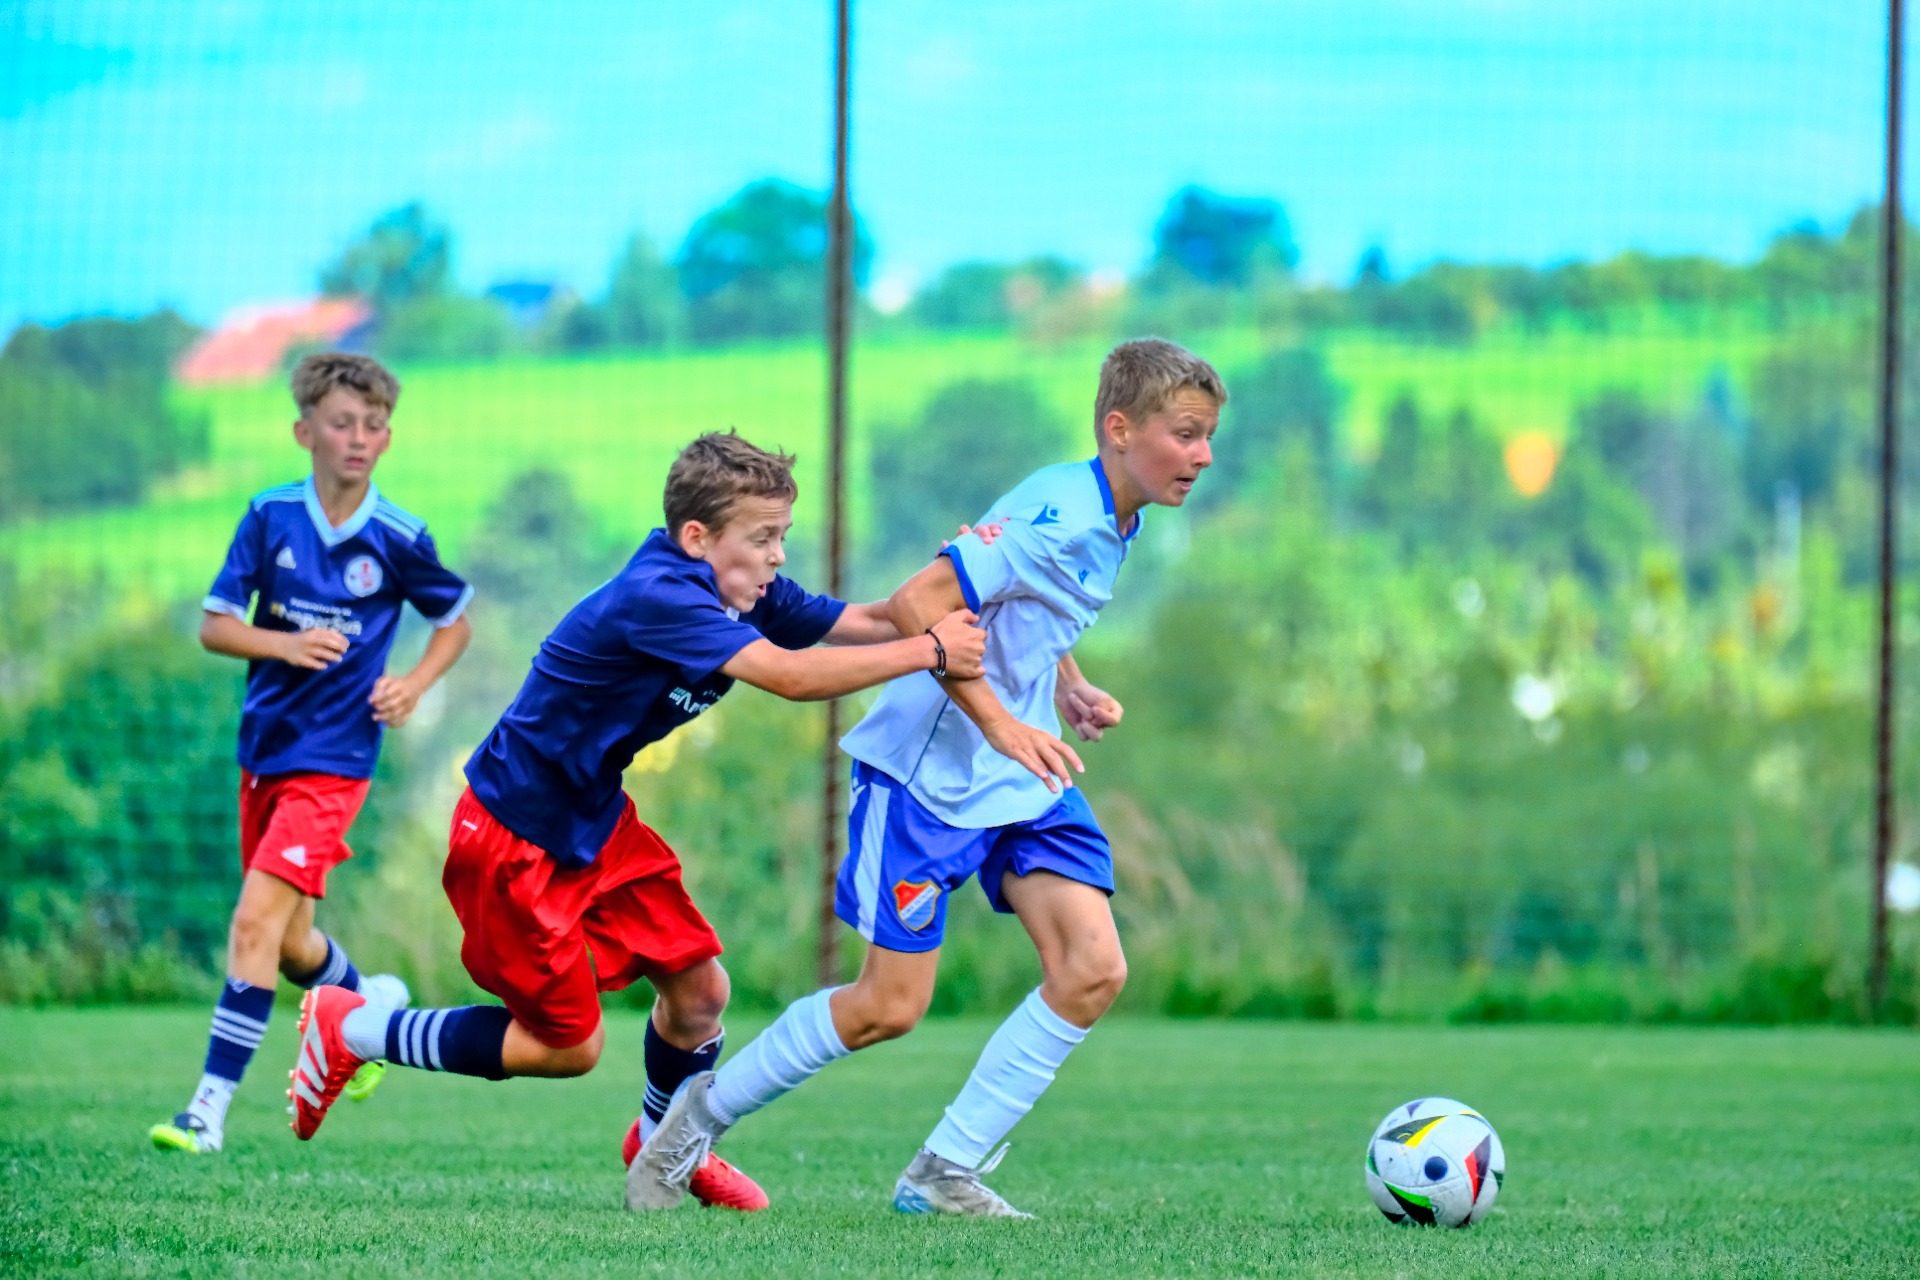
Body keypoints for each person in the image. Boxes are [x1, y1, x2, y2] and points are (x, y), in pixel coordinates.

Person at [284, 431, 988, 1213]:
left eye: (781, 536)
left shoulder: (743, 586)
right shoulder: (664, 596)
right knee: (568, 1047)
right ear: (698, 538)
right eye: (763, 538)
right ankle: (356, 1029)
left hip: (595, 817)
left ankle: (662, 1148)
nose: (778, 556)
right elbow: (792, 676)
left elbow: (873, 620)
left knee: (700, 993)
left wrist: (958, 576)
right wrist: (931, 651)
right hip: (514, 830)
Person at [627, 338, 1226, 1217]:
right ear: (1120, 428)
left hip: (1021, 774)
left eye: (1208, 437)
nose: (1203, 456)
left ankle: (944, 1171)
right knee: (887, 1006)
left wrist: (1064, 681)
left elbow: (1023, 605)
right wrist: (1000, 722)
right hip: (929, 775)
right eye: (1186, 434)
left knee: (1093, 967)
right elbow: (919, 605)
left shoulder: (1114, 514)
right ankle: (692, 1124)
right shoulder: (1062, 514)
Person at [149, 353, 473, 1155]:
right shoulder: (269, 517)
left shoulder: (399, 536)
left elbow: (455, 620)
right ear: (306, 432)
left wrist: (414, 684)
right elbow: (215, 627)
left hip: (336, 763)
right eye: (341, 423)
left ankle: (205, 1113)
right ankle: (370, 1007)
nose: (358, 438)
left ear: (387, 438)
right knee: (291, 943)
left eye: (373, 426)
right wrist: (286, 645)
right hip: (264, 751)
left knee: (252, 921)